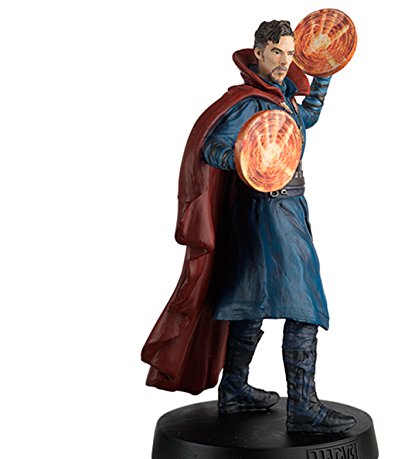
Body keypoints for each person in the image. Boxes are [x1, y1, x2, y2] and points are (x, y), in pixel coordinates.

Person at [142, 20, 355, 434]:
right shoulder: (247, 104)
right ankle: (303, 409)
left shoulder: (282, 98)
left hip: (287, 208)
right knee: (305, 305)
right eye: (277, 52)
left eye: (290, 54)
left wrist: (324, 74)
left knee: (249, 303)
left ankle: (234, 390)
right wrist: (249, 161)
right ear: (258, 52)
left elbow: (304, 118)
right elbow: (213, 147)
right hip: (268, 212)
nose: (285, 61)